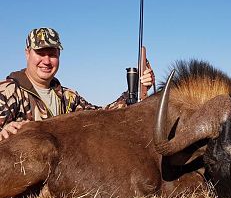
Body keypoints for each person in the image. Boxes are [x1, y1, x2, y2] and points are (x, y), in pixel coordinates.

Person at [0, 27, 154, 141]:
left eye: (52, 54)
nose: (46, 61)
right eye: (40, 53)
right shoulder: (8, 91)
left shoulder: (69, 98)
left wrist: (135, 91)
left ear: (59, 55)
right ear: (27, 53)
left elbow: (102, 117)